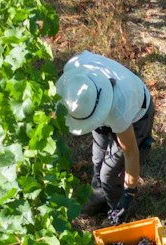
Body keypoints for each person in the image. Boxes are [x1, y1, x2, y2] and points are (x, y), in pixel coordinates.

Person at [57, 51, 155, 225]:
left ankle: (116, 211)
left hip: (136, 116)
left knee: (110, 172)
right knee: (98, 157)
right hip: (102, 105)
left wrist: (129, 194)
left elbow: (131, 153)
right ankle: (98, 197)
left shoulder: (120, 109)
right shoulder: (75, 71)